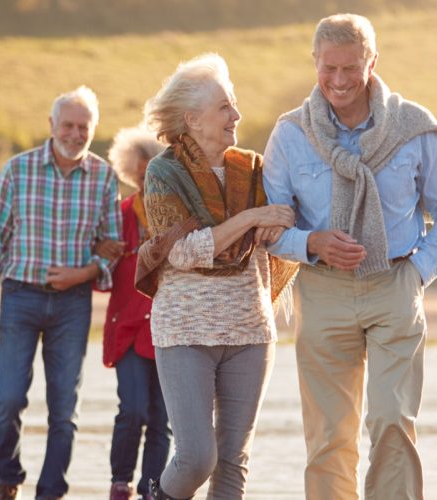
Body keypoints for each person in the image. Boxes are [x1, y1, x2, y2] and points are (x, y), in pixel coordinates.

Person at [263, 14, 437, 499]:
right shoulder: (289, 135)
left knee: (392, 420)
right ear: (314, 63)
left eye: (350, 68)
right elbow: (271, 227)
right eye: (328, 68)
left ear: (372, 63)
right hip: (321, 291)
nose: (339, 81)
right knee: (329, 436)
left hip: (395, 285)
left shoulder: (415, 128)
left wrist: (418, 272)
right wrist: (312, 243)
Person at [134, 53, 299, 499]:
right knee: (196, 458)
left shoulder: (256, 169)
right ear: (193, 119)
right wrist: (253, 219)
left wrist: (275, 220)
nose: (236, 115)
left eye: (235, 104)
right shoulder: (163, 172)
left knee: (232, 463)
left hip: (250, 330)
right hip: (186, 333)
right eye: (225, 106)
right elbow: (185, 252)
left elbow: (288, 217)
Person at [0, 86, 122, 500]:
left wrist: (83, 273)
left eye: (83, 127)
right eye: (67, 125)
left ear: (93, 130)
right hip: (20, 297)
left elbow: (113, 248)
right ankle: (8, 476)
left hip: (73, 304)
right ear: (51, 125)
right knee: (10, 397)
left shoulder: (104, 177)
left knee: (63, 409)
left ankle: (51, 491)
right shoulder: (17, 171)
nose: (74, 134)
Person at [100, 127, 170, 500]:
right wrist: (101, 250)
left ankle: (153, 489)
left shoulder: (178, 215)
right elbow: (101, 275)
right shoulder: (120, 214)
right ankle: (120, 481)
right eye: (141, 174)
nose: (147, 179)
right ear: (131, 173)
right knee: (133, 410)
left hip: (171, 329)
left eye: (154, 172)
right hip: (127, 327)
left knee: (162, 418)